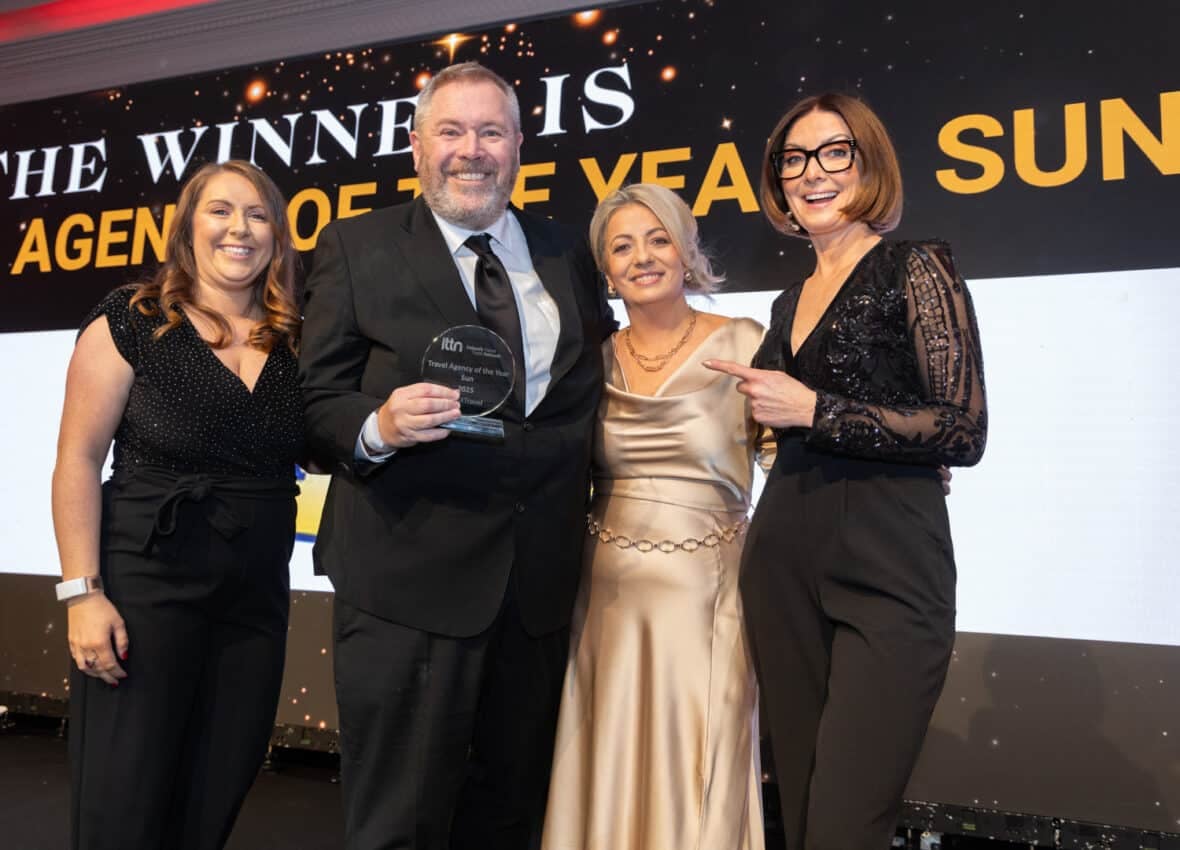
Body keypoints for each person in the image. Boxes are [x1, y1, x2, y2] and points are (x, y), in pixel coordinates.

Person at [298, 61, 615, 850]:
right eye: (451, 131)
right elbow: (312, 403)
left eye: (490, 132)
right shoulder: (357, 246)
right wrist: (379, 424)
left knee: (510, 816)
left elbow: (596, 392)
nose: (471, 150)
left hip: (537, 591)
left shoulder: (565, 251)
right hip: (407, 585)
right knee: (399, 825)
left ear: (518, 146)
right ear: (416, 146)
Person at [704, 92, 988, 850]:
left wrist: (818, 410)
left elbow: (962, 428)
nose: (812, 173)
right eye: (794, 159)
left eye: (835, 152)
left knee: (844, 822)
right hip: (783, 557)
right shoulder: (786, 301)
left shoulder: (915, 266)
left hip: (890, 559)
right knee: (802, 812)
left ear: (870, 163)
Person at [52, 159, 303, 850]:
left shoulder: (296, 336)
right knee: (124, 801)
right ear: (188, 226)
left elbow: (327, 444)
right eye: (220, 210)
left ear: (278, 237)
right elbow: (77, 459)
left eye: (257, 215)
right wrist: (82, 594)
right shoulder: (132, 316)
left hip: (254, 602)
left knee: (213, 796)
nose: (239, 229)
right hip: (145, 584)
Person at [540, 183, 767, 850]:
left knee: (700, 768)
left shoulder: (746, 342)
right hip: (604, 600)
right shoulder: (591, 362)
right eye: (622, 247)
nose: (642, 257)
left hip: (709, 602)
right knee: (605, 760)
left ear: (687, 250)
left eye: (658, 239)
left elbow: (790, 459)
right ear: (606, 271)